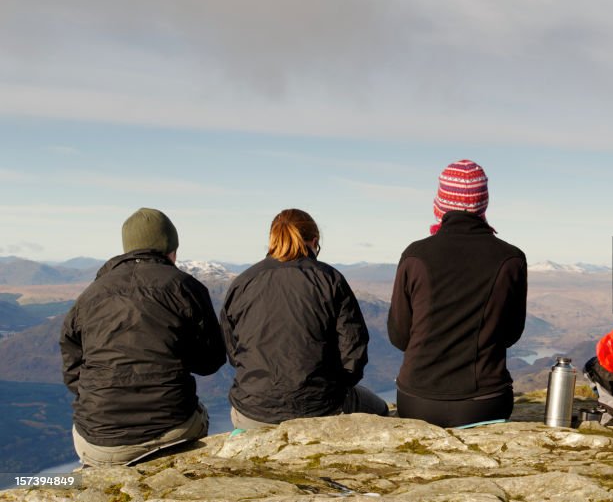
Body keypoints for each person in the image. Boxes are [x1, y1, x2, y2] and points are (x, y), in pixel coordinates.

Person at [60, 208, 225, 466]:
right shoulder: (186, 287)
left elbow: (73, 368)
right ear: (171, 249)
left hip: (97, 441)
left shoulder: (90, 294)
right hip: (173, 431)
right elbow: (210, 361)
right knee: (199, 414)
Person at [388, 159, 528, 427]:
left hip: (417, 401)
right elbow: (511, 334)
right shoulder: (510, 259)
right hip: (484, 403)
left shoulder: (415, 255)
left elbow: (399, 335)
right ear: (483, 203)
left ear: (440, 202)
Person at [220, 209, 387, 429]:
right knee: (381, 410)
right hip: (321, 408)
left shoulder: (243, 282)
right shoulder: (330, 279)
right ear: (314, 241)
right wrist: (334, 390)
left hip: (252, 412)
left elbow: (233, 351)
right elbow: (353, 349)